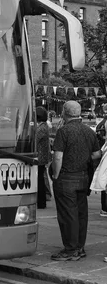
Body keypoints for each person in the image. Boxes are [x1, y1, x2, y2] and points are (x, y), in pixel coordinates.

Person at [51, 100, 102, 261]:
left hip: (66, 177)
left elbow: (58, 156)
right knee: (81, 214)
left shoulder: (63, 131)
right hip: (83, 176)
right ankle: (79, 247)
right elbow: (96, 155)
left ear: (65, 113)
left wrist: (55, 174)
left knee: (68, 215)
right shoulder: (89, 131)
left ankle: (70, 249)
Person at [35, 106, 50, 209]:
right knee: (40, 179)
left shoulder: (41, 128)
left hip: (40, 157)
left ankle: (41, 201)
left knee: (40, 180)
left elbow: (34, 139)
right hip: (42, 156)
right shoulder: (43, 126)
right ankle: (41, 200)